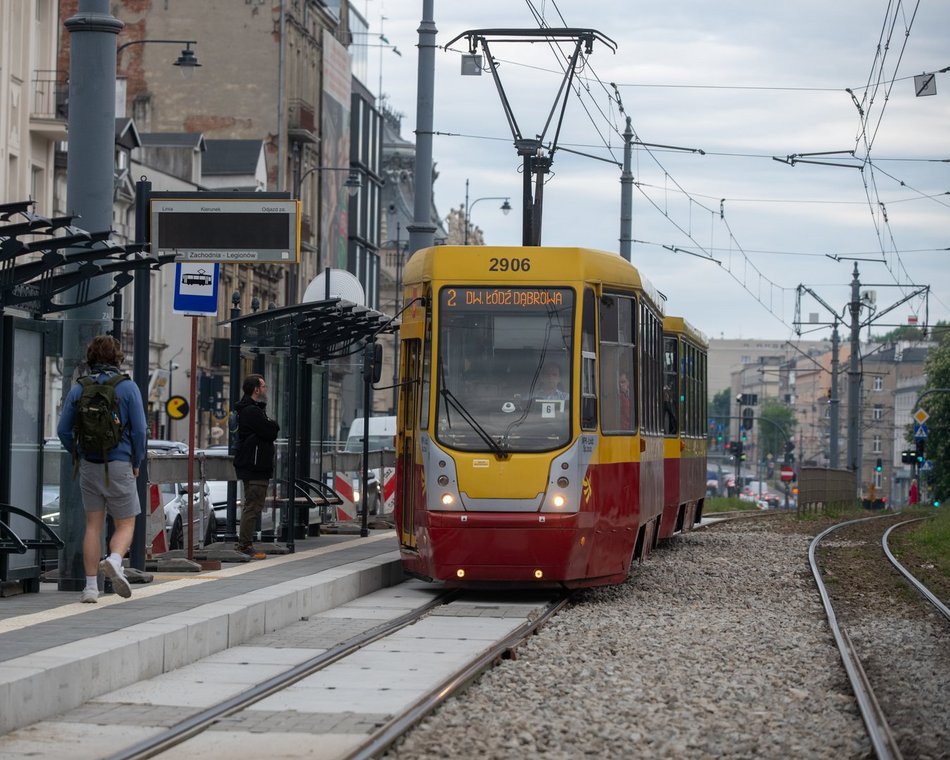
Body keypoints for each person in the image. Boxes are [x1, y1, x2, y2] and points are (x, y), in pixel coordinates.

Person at [57, 335, 147, 603]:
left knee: (93, 526)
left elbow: (63, 430)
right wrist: (136, 461)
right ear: (117, 357)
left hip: (89, 465)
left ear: (91, 357)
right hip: (120, 463)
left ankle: (90, 589)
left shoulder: (79, 388)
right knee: (126, 523)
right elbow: (140, 430)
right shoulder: (128, 388)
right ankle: (116, 561)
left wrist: (78, 452)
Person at [232, 374, 279, 557]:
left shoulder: (251, 409)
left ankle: (245, 543)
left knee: (252, 505)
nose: (265, 389)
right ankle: (245, 545)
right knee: (252, 506)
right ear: (256, 389)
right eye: (263, 386)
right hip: (255, 466)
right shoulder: (251, 411)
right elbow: (271, 430)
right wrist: (271, 425)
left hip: (254, 465)